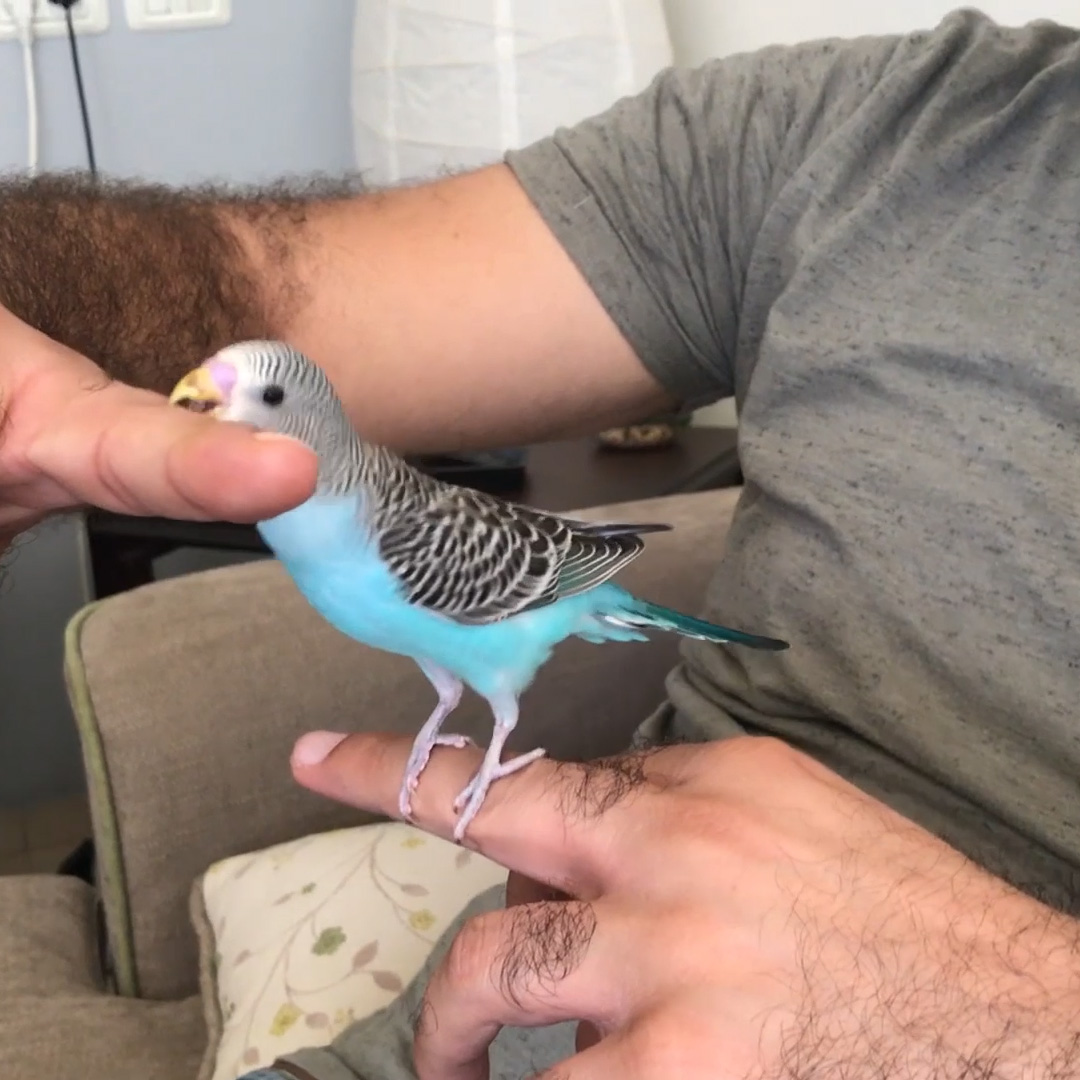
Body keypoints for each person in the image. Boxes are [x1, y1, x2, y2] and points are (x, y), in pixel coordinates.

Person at [4, 7, 1080, 1078]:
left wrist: (1015, 1015)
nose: (217, 394)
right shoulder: (894, 126)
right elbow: (244, 282)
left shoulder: (394, 532)